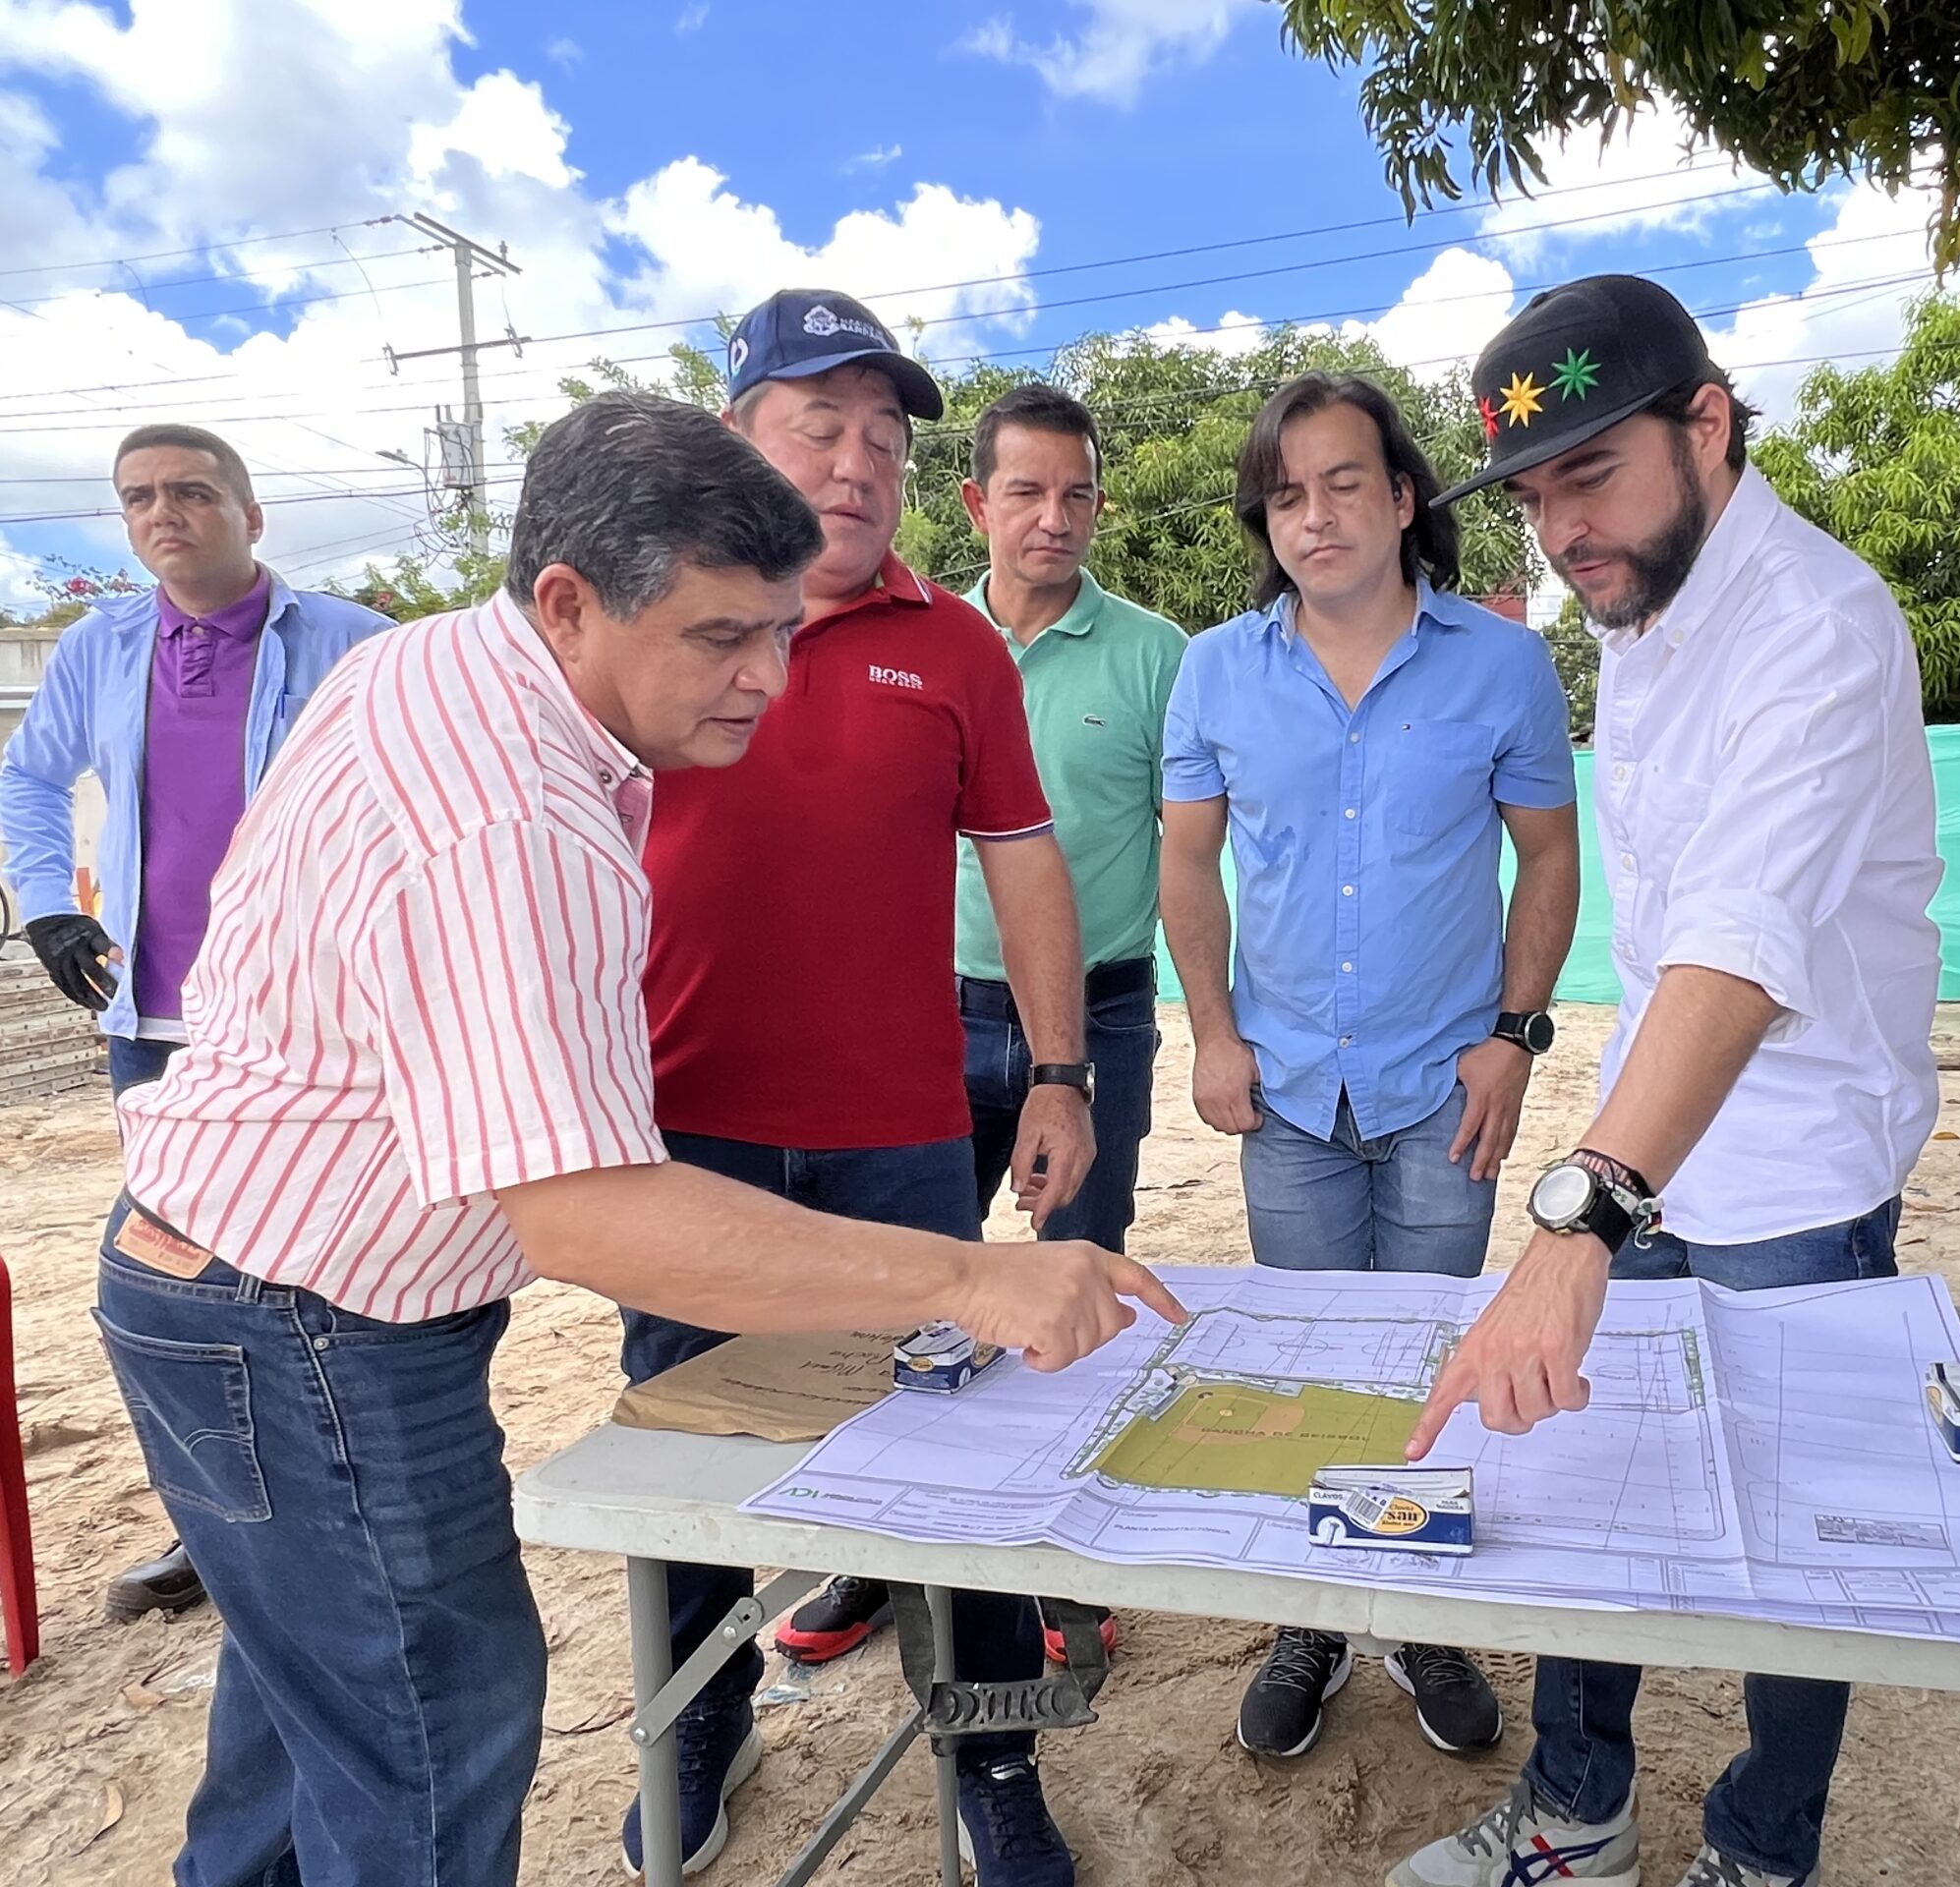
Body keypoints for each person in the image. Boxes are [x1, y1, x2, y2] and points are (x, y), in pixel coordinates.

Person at [95, 389, 1176, 1887]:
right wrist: (978, 1281)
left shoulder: (429, 661)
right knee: (433, 1728)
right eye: (720, 639)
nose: (767, 680)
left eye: (780, 631)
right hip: (303, 1324)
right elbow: (589, 1221)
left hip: (230, 1277)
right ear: (568, 601)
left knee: (307, 1714)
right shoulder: (521, 824)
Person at [1387, 275, 1942, 1887]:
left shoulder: (1820, 625)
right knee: (1583, 1475)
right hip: (1653, 1142)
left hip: (1799, 1183)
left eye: (1596, 473)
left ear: (1708, 426)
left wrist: (1573, 1226)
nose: (1567, 532)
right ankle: (1578, 1814)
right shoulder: (1637, 607)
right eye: (1538, 495)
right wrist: (1600, 1159)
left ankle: (1765, 1851)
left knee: (1797, 1546)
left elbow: (1740, 946)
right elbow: (1660, 950)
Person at [627, 292, 1097, 1882]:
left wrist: (1055, 1070)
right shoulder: (648, 614)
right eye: (817, 426)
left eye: (885, 438)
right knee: (693, 1454)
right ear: (734, 435)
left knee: (956, 1456)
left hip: (903, 1136)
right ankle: (702, 1709)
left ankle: (992, 1750)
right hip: (677, 1133)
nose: (855, 462)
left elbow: (1024, 862)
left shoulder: (956, 646)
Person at [1162, 372, 1583, 1764]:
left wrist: (1514, 1038)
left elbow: (1550, 857)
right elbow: (1186, 860)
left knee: (1422, 1354)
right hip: (1282, 1089)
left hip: (1442, 1093)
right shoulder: (1217, 667)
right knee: (1302, 1358)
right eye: (1286, 493)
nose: (1316, 515)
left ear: (1405, 499)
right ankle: (1315, 1620)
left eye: (1346, 482)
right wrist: (1213, 1035)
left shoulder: (1504, 664)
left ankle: (1421, 1619)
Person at [0, 423, 386, 1625]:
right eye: (139, 499)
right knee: (177, 1280)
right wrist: (49, 905)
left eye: (193, 492)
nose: (165, 514)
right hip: (156, 1020)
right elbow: (28, 779)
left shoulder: (355, 646)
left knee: (327, 1255)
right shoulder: (98, 650)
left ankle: (356, 1490)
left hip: (312, 1024)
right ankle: (210, 1523)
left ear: (252, 513)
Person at [958, 382, 1188, 1667]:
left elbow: (1201, 854)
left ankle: (1065, 1551)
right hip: (928, 1006)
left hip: (1100, 1014)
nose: (1056, 519)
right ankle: (898, 1553)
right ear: (977, 501)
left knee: (1083, 1268)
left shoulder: (1159, 656)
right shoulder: (923, 642)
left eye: (1079, 493)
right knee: (919, 1274)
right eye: (1028, 491)